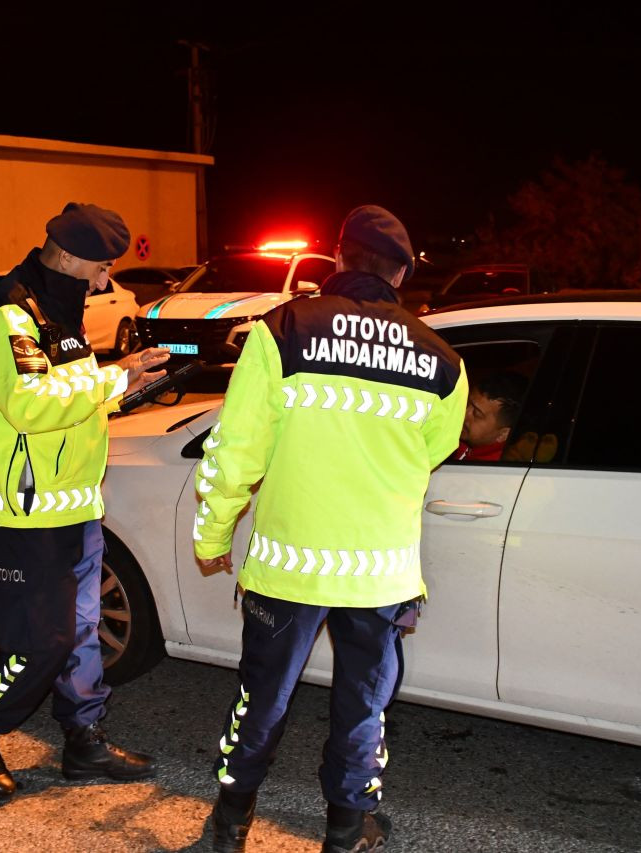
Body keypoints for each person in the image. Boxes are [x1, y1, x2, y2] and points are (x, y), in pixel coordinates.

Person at [192, 205, 468, 852]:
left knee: (261, 698)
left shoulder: (281, 331)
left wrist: (211, 537)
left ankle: (232, 821)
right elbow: (432, 449)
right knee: (364, 705)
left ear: (339, 258)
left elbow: (234, 453)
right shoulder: (442, 361)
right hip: (381, 573)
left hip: (288, 567)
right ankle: (346, 829)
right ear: (401, 272)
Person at [0, 202, 170, 802]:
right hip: (26, 514)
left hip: (75, 505)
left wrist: (126, 391)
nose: (104, 282)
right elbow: (29, 404)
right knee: (39, 645)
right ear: (66, 254)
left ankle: (84, 743)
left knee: (82, 631)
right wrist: (113, 377)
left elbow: (70, 398)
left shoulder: (61, 309)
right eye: (99, 268)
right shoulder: (9, 314)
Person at [453, 370, 527, 462]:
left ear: (503, 434)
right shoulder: (458, 440)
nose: (464, 413)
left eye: (476, 414)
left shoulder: (490, 471)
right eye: (467, 403)